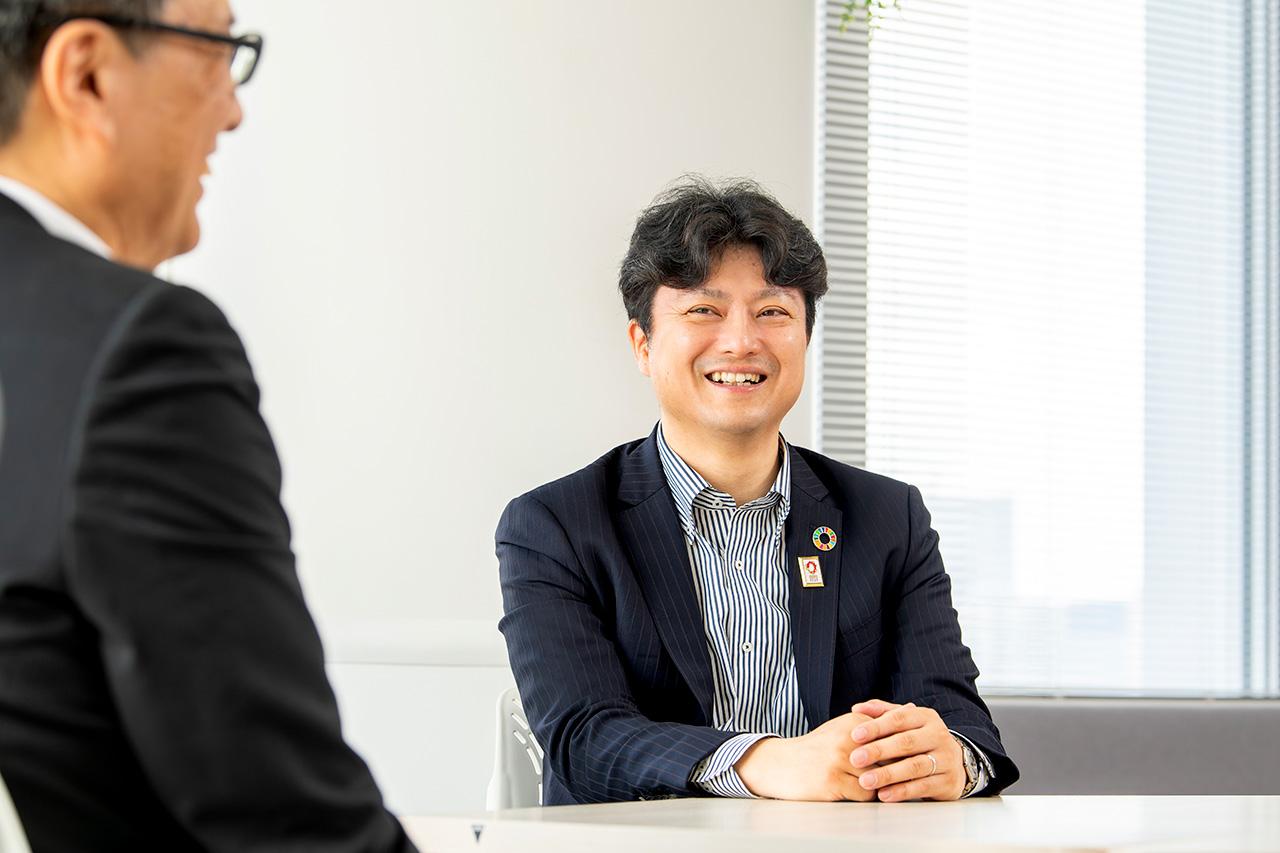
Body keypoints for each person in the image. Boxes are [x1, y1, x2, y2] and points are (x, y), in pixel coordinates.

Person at [0, 1, 415, 849]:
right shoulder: (135, 348)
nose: (233, 110)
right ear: (87, 75)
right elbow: (289, 818)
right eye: (218, 51)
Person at [497, 178, 1019, 805]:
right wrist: (766, 763)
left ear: (805, 338)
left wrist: (951, 759)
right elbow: (584, 738)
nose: (742, 341)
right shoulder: (554, 525)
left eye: (772, 312)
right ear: (643, 344)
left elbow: (962, 724)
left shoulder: (888, 516)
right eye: (704, 310)